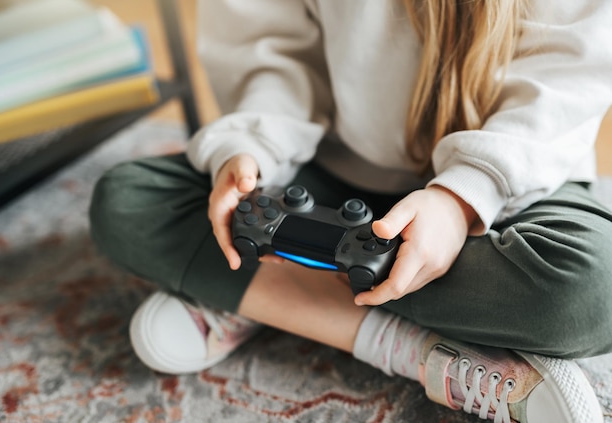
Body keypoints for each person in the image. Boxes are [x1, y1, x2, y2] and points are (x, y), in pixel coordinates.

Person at [89, 1, 612, 421]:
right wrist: (252, 146)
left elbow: (564, 79)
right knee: (125, 201)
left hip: (511, 174)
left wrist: (460, 198)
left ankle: (259, 295)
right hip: (331, 171)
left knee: (594, 290)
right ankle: (414, 349)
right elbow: (270, 52)